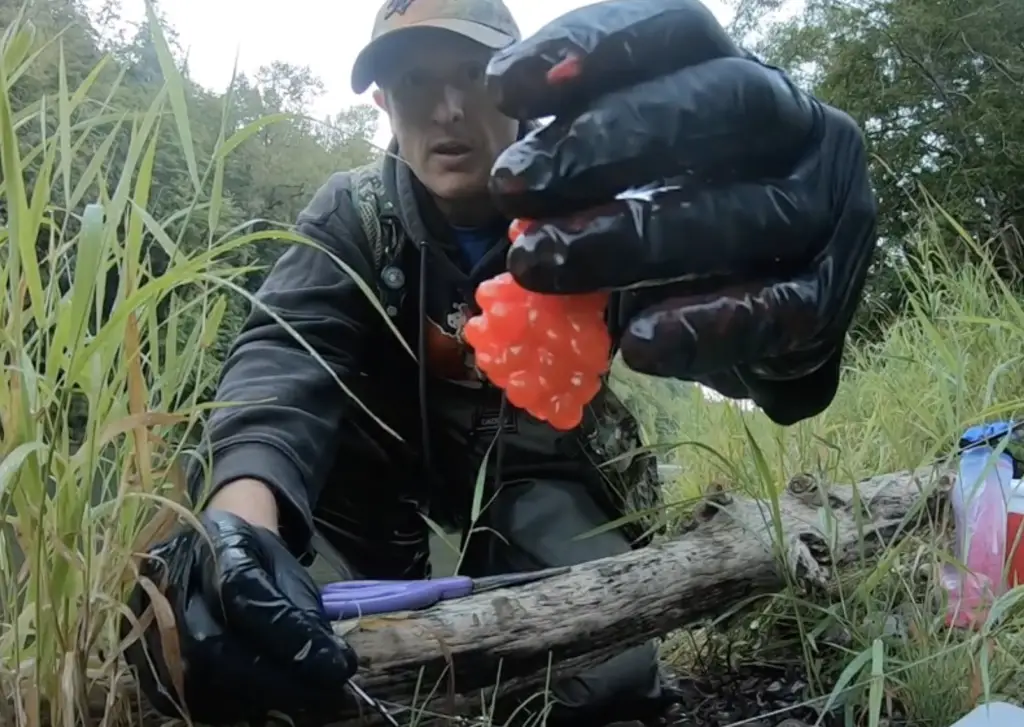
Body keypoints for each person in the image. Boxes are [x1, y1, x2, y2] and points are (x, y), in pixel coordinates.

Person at [122, 0, 879, 725]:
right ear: (384, 102)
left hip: (533, 477)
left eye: (475, 78)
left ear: (525, 96)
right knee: (255, 645)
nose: (447, 108)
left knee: (611, 674)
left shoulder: (603, 217)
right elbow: (283, 351)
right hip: (363, 493)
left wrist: (795, 344)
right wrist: (238, 527)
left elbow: (737, 352)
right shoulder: (352, 212)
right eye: (417, 81)